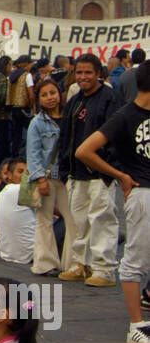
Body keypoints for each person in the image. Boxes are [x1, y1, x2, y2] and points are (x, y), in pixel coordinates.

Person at [75, 60, 150, 343]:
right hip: (143, 194)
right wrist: (121, 176)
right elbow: (85, 150)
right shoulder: (125, 115)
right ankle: (136, 325)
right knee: (135, 261)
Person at [56, 53, 119, 286]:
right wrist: (64, 170)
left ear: (98, 74)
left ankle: (104, 268)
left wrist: (109, 170)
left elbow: (116, 136)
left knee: (102, 220)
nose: (83, 77)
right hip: (76, 172)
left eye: (88, 73)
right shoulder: (74, 101)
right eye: (79, 73)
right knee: (78, 221)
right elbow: (65, 137)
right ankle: (80, 263)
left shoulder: (110, 99)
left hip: (100, 172)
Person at [26, 78, 77, 277]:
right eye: (44, 95)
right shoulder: (37, 123)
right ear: (38, 99)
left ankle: (72, 262)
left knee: (73, 219)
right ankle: (44, 263)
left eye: (53, 93)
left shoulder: (70, 116)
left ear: (60, 93)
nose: (50, 98)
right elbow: (33, 153)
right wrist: (40, 179)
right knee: (44, 219)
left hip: (68, 176)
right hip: (46, 176)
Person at [0, 157, 35, 265]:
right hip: (30, 253)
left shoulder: (3, 193)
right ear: (8, 175)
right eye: (20, 171)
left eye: (27, 172)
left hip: (8, 254)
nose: (24, 175)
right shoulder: (18, 189)